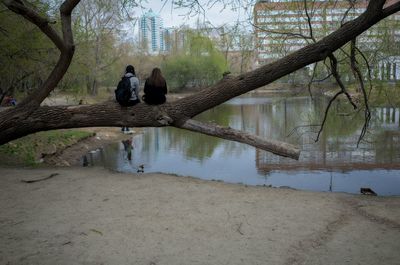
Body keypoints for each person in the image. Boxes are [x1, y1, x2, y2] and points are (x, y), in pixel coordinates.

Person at [121, 65, 140, 132]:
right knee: (132, 108)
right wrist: (138, 99)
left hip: (123, 100)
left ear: (126, 71)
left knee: (124, 109)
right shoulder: (135, 79)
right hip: (131, 101)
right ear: (133, 70)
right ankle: (128, 126)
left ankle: (123, 126)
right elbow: (137, 92)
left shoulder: (123, 78)